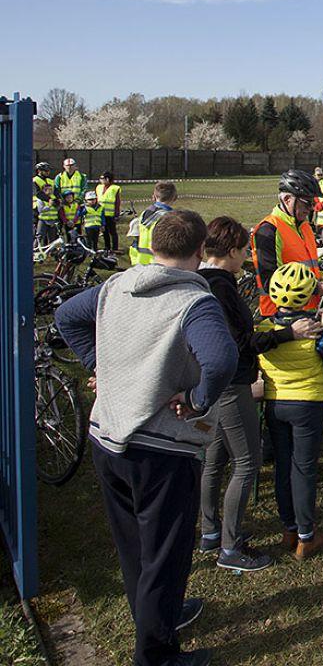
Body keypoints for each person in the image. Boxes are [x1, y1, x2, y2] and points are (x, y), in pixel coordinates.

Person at [55, 210, 239, 666]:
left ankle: (159, 615)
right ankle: (156, 655)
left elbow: (66, 316)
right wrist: (197, 401)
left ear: (152, 245)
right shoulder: (194, 302)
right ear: (201, 251)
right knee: (165, 554)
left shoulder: (117, 285)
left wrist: (99, 365)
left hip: (108, 434)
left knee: (134, 545)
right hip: (160, 448)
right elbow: (220, 361)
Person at [198, 218, 323, 573]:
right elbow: (241, 343)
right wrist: (288, 334)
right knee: (247, 463)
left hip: (214, 383)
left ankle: (210, 531)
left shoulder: (202, 282)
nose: (246, 262)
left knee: (216, 458)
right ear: (233, 251)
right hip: (232, 383)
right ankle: (230, 545)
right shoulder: (221, 287)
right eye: (244, 254)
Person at [257, 263, 323, 559]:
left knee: (283, 465)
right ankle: (307, 535)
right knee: (304, 468)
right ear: (310, 297)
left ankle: (288, 528)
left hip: (275, 402)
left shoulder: (264, 330)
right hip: (309, 403)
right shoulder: (317, 332)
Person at [251, 170, 323, 318]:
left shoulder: (304, 226)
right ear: (287, 199)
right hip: (279, 317)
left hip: (305, 312)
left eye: (313, 203)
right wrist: (317, 288)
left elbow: (309, 267)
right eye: (307, 203)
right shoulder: (269, 230)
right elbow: (271, 280)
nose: (312, 209)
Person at [129, 182, 177, 266]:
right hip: (159, 263)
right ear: (175, 197)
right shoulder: (170, 218)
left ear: (154, 197)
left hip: (140, 261)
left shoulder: (144, 213)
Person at [97, 172, 122, 251]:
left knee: (113, 232)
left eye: (102, 178)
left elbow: (117, 202)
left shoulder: (115, 188)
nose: (100, 180)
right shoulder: (99, 187)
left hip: (110, 214)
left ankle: (115, 248)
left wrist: (117, 214)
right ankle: (107, 247)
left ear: (107, 179)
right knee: (104, 231)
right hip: (101, 214)